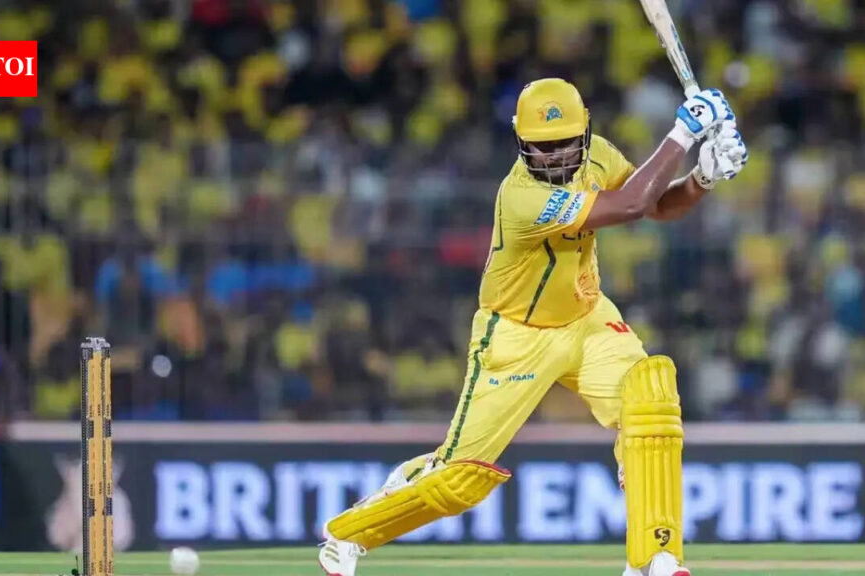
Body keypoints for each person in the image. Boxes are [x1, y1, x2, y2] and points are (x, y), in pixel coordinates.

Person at [319, 78, 747, 576]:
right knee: (459, 480)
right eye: (542, 147)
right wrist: (683, 134)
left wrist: (701, 179)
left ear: (585, 133)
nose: (554, 156)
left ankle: (655, 556)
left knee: (649, 400)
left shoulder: (599, 155)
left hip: (587, 317)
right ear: (521, 142)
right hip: (516, 335)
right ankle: (348, 533)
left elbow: (654, 203)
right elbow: (628, 206)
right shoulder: (522, 197)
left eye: (564, 143)